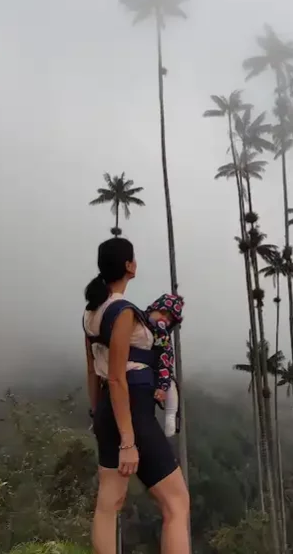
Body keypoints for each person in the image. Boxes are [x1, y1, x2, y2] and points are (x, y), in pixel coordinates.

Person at [83, 237, 190, 554]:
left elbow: (94, 374)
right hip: (132, 413)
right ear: (129, 266)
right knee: (176, 503)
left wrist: (98, 416)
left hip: (106, 410)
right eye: (134, 259)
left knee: (108, 504)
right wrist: (127, 441)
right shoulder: (123, 312)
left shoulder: (90, 314)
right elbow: (116, 377)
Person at [145, 294, 184, 438]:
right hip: (145, 371)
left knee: (172, 393)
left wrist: (163, 385)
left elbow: (164, 358)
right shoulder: (139, 323)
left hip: (161, 372)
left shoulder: (162, 334)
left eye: (169, 319)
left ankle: (170, 423)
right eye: (162, 313)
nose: (164, 320)